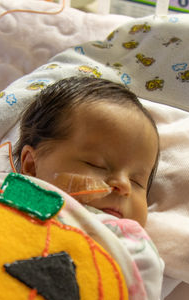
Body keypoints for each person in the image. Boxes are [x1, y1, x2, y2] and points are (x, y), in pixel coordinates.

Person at [13, 76, 160, 227]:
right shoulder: (8, 201)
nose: (123, 184)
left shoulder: (133, 243)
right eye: (96, 164)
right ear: (31, 166)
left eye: (137, 182)